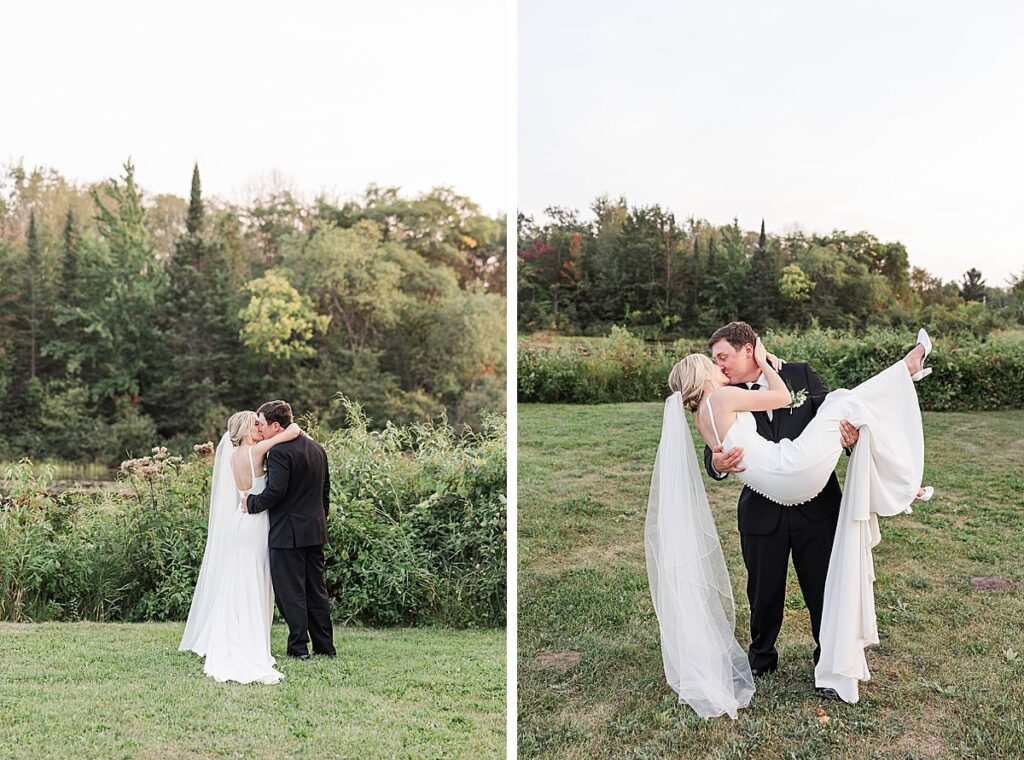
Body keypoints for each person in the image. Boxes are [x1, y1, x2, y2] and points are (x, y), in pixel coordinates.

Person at [645, 328, 933, 716]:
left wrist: (850, 441)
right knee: (762, 593)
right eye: (714, 361)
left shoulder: (799, 374)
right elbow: (714, 456)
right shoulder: (727, 394)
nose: (719, 365)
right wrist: (717, 463)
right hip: (765, 507)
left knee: (822, 589)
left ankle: (828, 660)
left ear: (748, 349)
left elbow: (831, 420)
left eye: (723, 356)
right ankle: (761, 657)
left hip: (815, 504)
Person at [179, 410, 302, 684]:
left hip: (240, 520)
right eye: (256, 424)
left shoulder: (233, 455)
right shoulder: (255, 451)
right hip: (255, 523)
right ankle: (249, 643)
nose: (259, 427)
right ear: (246, 430)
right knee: (254, 581)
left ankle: (236, 635)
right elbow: (290, 433)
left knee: (238, 580)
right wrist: (294, 429)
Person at [242, 400, 335, 660]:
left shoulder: (279, 452)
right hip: (314, 530)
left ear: (275, 426)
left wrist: (252, 503)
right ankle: (325, 647)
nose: (260, 428)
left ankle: (298, 648)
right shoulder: (317, 448)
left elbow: (276, 491)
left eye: (262, 423)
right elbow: (325, 490)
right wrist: (320, 519)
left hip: (288, 533)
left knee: (290, 591)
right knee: (316, 590)